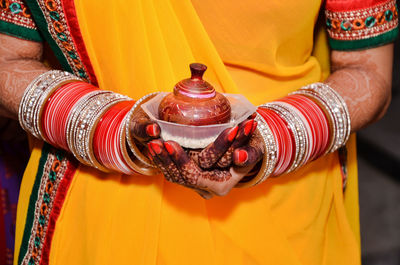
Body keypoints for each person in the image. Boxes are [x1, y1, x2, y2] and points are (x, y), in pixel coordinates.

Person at [0, 0, 397, 264]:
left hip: (283, 208)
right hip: (99, 205)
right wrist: (115, 128)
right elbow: (8, 60)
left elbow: (368, 71)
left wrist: (269, 137)